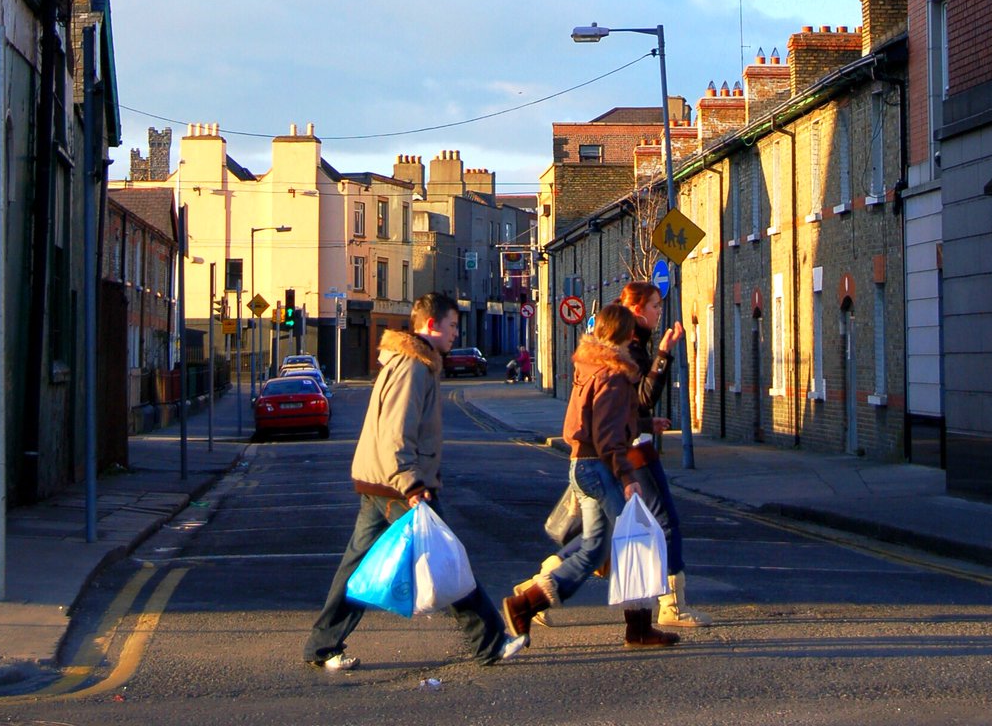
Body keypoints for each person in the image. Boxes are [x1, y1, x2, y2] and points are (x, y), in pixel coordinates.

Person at [304, 292, 527, 671]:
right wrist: (410, 484)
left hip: (380, 481)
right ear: (430, 325)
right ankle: (489, 643)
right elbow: (396, 430)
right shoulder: (414, 366)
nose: (456, 333)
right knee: (447, 559)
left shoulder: (412, 361)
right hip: (398, 485)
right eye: (452, 326)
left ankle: (322, 645)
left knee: (358, 568)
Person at [502, 303, 679, 648]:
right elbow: (609, 436)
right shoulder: (613, 375)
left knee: (597, 548)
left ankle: (528, 604)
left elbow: (596, 420)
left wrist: (645, 424)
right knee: (636, 541)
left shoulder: (591, 365)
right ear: (627, 335)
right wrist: (627, 477)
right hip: (599, 466)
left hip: (583, 463)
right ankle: (636, 627)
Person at [619, 280, 711, 628]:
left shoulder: (630, 343)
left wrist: (645, 420)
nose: (660, 312)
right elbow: (641, 397)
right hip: (631, 448)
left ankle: (537, 592)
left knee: (594, 537)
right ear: (637, 310)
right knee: (666, 522)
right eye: (655, 306)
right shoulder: (630, 346)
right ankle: (673, 604)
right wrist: (663, 355)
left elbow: (629, 404)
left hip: (630, 440)